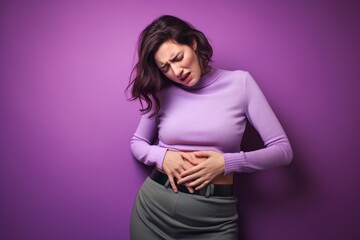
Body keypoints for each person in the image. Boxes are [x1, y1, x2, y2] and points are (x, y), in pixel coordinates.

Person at [127, 15, 293, 240]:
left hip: (214, 221)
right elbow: (137, 143)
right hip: (153, 213)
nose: (177, 71)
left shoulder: (240, 83)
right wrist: (162, 156)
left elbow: (282, 151)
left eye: (178, 57)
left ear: (193, 44)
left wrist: (226, 162)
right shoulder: (162, 92)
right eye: (166, 67)